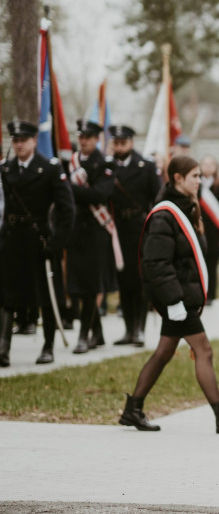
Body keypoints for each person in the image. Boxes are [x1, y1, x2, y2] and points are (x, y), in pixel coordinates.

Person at [119, 155, 219, 434]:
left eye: (200, 176)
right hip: (176, 300)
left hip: (181, 298)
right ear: (177, 178)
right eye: (194, 176)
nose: (200, 180)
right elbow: (157, 264)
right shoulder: (165, 214)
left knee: (164, 352)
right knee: (203, 349)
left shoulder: (186, 206)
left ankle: (133, 409)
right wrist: (173, 301)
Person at [0, 120, 75, 366]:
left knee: (46, 294)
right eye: (15, 140)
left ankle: (48, 346)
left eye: (23, 140)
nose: (19, 144)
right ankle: (3, 349)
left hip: (39, 239)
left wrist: (56, 241)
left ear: (34, 140)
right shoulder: (6, 169)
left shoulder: (49, 169)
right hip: (11, 239)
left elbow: (67, 209)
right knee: (6, 295)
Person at [66, 119, 118, 354]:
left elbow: (100, 194)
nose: (83, 141)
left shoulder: (105, 162)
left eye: (88, 137)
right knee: (78, 285)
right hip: (77, 229)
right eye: (81, 137)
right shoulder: (72, 161)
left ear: (97, 139)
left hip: (97, 231)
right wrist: (78, 193)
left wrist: (74, 191)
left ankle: (84, 335)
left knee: (91, 285)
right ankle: (96, 333)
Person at [109, 125, 162, 346]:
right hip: (117, 230)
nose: (119, 147)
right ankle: (128, 330)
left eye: (123, 142)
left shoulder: (146, 166)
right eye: (116, 143)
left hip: (140, 229)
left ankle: (139, 329)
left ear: (131, 142)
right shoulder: (107, 167)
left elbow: (157, 198)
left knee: (139, 280)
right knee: (123, 281)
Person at [198, 155, 219, 303]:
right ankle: (200, 294)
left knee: (212, 264)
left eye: (211, 164)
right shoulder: (197, 185)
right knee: (200, 264)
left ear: (216, 167)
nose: (207, 167)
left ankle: (211, 295)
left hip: (215, 233)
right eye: (205, 164)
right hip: (200, 230)